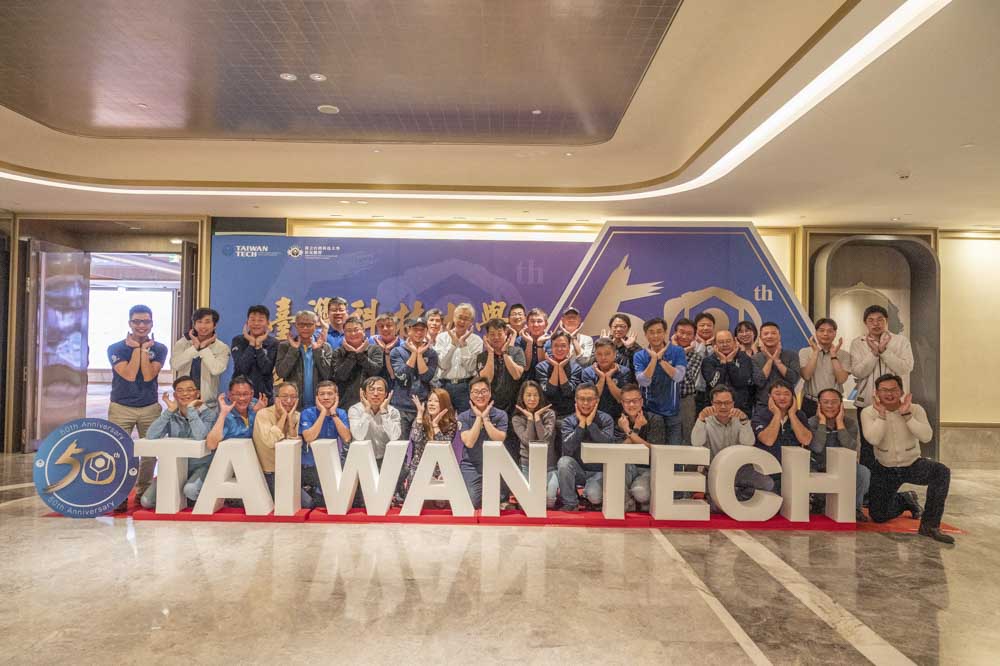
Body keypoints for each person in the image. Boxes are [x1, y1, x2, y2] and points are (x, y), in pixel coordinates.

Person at [861, 374, 953, 543]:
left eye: (894, 389)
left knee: (941, 472)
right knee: (879, 515)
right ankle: (905, 499)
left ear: (902, 391)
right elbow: (873, 439)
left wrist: (907, 416)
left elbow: (926, 437)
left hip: (912, 464)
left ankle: (930, 526)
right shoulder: (868, 412)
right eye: (884, 390)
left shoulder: (915, 409)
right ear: (876, 393)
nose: (889, 394)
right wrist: (882, 416)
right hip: (884, 468)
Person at [107, 304, 169, 508]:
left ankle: (143, 492)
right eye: (137, 321)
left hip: (149, 407)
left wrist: (143, 350)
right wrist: (137, 350)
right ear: (129, 323)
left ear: (152, 323)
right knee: (119, 452)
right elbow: (130, 375)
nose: (141, 325)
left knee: (149, 454)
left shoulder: (159, 348)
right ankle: (120, 495)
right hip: (121, 407)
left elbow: (149, 375)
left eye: (146, 321)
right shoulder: (116, 348)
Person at [850, 305, 915, 472]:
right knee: (867, 444)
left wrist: (884, 352)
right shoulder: (858, 343)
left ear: (887, 321)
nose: (876, 324)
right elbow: (858, 371)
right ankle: (868, 484)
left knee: (892, 442)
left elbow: (905, 368)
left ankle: (890, 481)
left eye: (880, 320)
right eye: (871, 320)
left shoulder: (900, 341)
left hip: (895, 403)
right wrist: (873, 354)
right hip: (867, 402)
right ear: (865, 323)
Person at [139, 376, 217, 510]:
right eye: (180, 391)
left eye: (190, 390)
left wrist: (191, 410)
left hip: (200, 467)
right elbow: (151, 435)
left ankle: (196, 493)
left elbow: (200, 436)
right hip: (174, 467)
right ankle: (181, 493)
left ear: (197, 393)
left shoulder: (209, 414)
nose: (185, 394)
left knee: (191, 490)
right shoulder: (172, 415)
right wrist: (169, 411)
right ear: (175, 395)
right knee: (146, 501)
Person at [692, 385, 773, 511]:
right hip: (713, 471)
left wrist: (745, 422)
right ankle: (731, 497)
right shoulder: (705, 420)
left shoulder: (740, 419)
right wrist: (701, 419)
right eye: (718, 403)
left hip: (739, 470)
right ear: (712, 403)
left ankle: (732, 496)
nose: (723, 406)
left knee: (767, 484)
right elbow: (696, 443)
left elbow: (749, 443)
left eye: (727, 403)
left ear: (733, 403)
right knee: (709, 505)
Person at [203, 376, 268, 503]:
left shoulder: (255, 409)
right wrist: (223, 414)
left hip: (255, 465)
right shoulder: (225, 415)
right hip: (230, 470)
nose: (242, 398)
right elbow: (211, 444)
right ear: (230, 395)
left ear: (252, 394)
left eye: (245, 394)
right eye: (237, 394)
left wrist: (261, 412)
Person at [809, 388, 870, 522]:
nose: (830, 406)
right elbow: (817, 447)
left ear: (841, 404)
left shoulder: (850, 423)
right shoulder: (811, 422)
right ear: (819, 404)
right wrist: (822, 423)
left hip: (842, 467)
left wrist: (840, 423)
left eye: (834, 402)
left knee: (863, 472)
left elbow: (850, 448)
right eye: (825, 402)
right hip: (818, 467)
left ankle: (855, 508)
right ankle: (819, 501)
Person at [556, 383, 616, 511]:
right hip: (579, 470)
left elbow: (606, 444)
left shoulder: (606, 419)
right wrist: (581, 426)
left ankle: (591, 498)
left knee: (594, 496)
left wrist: (590, 424)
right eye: (581, 399)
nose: (585, 403)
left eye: (590, 399)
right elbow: (568, 447)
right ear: (576, 400)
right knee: (564, 462)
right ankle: (571, 503)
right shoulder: (568, 421)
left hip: (600, 471)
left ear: (597, 400)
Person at [633, 317, 687, 444]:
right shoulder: (639, 355)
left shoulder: (677, 351)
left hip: (673, 411)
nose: (655, 335)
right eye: (651, 332)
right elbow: (643, 381)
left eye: (659, 331)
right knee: (654, 449)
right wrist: (653, 359)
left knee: (674, 450)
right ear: (645, 335)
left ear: (665, 333)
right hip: (650, 411)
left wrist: (661, 360)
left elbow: (679, 377)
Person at [751, 380, 811, 493]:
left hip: (793, 470)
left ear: (793, 397)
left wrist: (792, 415)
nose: (782, 397)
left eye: (786, 394)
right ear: (769, 397)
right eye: (777, 394)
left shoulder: (799, 415)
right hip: (767, 470)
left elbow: (806, 440)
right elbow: (768, 440)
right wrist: (777, 414)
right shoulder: (760, 414)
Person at [299, 381, 353, 508]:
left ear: (336, 396)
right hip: (310, 468)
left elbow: (346, 438)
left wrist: (333, 413)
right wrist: (323, 412)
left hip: (332, 466)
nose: (326, 397)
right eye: (322, 394)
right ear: (316, 397)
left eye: (330, 394)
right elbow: (309, 437)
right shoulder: (307, 413)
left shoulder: (341, 413)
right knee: (314, 504)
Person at [458, 377, 509, 509]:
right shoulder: (463, 416)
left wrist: (485, 418)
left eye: (484, 391)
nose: (480, 395)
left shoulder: (501, 415)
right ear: (470, 395)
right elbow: (469, 442)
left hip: (495, 464)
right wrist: (478, 418)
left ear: (490, 393)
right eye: (476, 392)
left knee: (498, 502)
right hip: (471, 465)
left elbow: (499, 439)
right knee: (471, 502)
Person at [403, 388, 459, 505]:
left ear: (444, 403)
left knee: (441, 504)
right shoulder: (421, 419)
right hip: (419, 465)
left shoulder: (451, 423)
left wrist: (435, 426)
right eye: (429, 400)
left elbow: (444, 446)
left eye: (436, 401)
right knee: (413, 503)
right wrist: (419, 415)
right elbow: (416, 439)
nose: (431, 404)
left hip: (440, 467)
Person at [616, 384, 666, 511]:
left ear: (642, 401)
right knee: (615, 474)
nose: (631, 404)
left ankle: (639, 500)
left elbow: (653, 450)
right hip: (627, 467)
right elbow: (619, 451)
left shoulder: (655, 419)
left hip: (648, 468)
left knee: (641, 493)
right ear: (622, 403)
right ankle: (628, 503)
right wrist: (635, 429)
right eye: (627, 401)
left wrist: (629, 431)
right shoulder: (621, 422)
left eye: (635, 400)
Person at [510, 380, 558, 509]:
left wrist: (537, 418)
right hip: (527, 466)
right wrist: (530, 419)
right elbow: (528, 441)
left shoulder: (549, 414)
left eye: (535, 395)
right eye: (528, 395)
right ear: (522, 397)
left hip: (548, 466)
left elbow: (544, 439)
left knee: (549, 501)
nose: (532, 399)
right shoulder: (517, 418)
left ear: (540, 396)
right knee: (526, 504)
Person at [170, 307, 231, 408]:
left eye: (207, 322)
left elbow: (216, 370)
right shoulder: (182, 343)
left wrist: (203, 348)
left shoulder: (222, 348)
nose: (203, 326)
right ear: (194, 324)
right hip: (183, 402)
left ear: (215, 325)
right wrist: (194, 347)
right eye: (199, 322)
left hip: (208, 404)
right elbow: (175, 365)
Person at [389, 317, 439, 437]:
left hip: (423, 406)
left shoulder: (431, 353)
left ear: (426, 331)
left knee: (422, 443)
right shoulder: (397, 351)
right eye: (415, 329)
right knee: (401, 444)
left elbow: (426, 377)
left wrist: (419, 354)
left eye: (422, 330)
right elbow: (402, 375)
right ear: (408, 330)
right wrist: (413, 353)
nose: (419, 333)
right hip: (401, 406)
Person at [252, 382, 302, 500]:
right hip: (269, 473)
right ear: (276, 398)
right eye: (284, 396)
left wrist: (290, 420)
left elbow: (295, 446)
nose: (289, 401)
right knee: (302, 503)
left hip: (290, 471)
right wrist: (283, 416)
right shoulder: (263, 414)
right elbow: (271, 441)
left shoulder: (297, 416)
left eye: (293, 397)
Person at [275, 310, 333, 410]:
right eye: (301, 325)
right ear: (296, 325)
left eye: (309, 325)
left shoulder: (325, 346)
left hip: (319, 405)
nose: (305, 328)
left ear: (315, 326)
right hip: (293, 405)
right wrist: (293, 350)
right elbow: (281, 373)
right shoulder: (285, 346)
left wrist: (317, 351)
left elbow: (328, 375)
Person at [434, 302, 483, 413]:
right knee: (443, 419)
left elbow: (471, 368)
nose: (462, 321)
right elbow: (442, 365)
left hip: (466, 386)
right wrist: (453, 345)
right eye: (460, 317)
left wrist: (463, 346)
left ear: (471, 322)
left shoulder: (477, 341)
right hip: (444, 385)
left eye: (466, 319)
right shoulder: (442, 337)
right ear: (454, 317)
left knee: (465, 420)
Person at [346, 376, 403, 472]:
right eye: (371, 390)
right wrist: (367, 411)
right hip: (362, 459)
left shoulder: (393, 412)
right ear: (364, 393)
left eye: (380, 390)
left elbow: (395, 436)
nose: (376, 394)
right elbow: (358, 436)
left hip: (386, 459)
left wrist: (384, 412)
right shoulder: (355, 410)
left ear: (386, 394)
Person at [799, 318, 851, 418]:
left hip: (834, 403)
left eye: (830, 331)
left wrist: (834, 356)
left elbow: (841, 379)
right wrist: (815, 353)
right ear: (816, 332)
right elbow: (806, 376)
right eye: (821, 330)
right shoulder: (805, 352)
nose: (825, 334)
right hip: (811, 402)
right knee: (808, 428)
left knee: (836, 428)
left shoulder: (844, 355)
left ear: (835, 333)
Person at [330, 316, 384, 411]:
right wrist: (352, 354)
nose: (353, 333)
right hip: (344, 404)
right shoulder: (338, 352)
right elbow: (340, 376)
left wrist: (360, 354)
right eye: (349, 331)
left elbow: (375, 371)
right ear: (344, 333)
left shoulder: (375, 349)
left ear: (363, 331)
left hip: (371, 404)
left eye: (356, 330)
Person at [477, 317, 526, 414]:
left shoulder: (517, 351)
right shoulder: (482, 356)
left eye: (499, 334)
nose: (496, 337)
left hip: (514, 404)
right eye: (492, 334)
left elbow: (516, 375)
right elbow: (487, 379)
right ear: (487, 336)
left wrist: (505, 353)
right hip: (491, 405)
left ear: (506, 334)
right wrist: (490, 353)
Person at [230, 304, 278, 402]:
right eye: (252, 320)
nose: (256, 323)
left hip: (264, 397)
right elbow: (242, 368)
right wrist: (251, 344)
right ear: (247, 322)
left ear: (268, 323)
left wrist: (259, 347)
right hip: (240, 396)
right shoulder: (238, 340)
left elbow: (266, 369)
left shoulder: (273, 343)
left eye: (260, 320)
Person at [701, 330, 756, 415]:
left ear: (735, 342)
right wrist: (723, 363)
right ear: (714, 345)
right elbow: (715, 384)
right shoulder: (708, 361)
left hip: (741, 408)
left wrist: (730, 362)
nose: (725, 344)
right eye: (721, 342)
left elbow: (741, 382)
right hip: (714, 410)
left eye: (728, 341)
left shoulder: (744, 358)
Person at [670, 318, 704, 445]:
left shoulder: (696, 356)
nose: (684, 336)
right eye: (681, 332)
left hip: (685, 400)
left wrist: (679, 354)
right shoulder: (664, 351)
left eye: (689, 334)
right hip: (665, 399)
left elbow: (686, 378)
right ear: (675, 334)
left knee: (687, 434)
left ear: (694, 337)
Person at [581, 337, 632, 420]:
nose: (603, 357)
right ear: (595, 355)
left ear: (615, 354)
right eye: (599, 354)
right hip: (594, 417)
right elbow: (590, 399)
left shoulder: (624, 372)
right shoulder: (587, 372)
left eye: (607, 354)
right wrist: (602, 378)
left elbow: (620, 398)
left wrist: (608, 378)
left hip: (619, 417)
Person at [752, 322, 801, 407]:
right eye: (766, 334)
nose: (769, 336)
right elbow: (759, 382)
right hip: (764, 405)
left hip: (788, 406)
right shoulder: (755, 358)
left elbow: (793, 379)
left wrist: (777, 361)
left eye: (773, 333)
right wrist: (770, 359)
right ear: (760, 338)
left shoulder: (792, 355)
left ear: (779, 336)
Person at [535, 332, 583, 417]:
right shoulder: (541, 367)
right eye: (556, 346)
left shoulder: (576, 368)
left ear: (569, 348)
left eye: (563, 346)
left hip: (570, 414)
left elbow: (568, 392)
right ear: (551, 347)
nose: (559, 349)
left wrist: (560, 368)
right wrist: (556, 367)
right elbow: (549, 391)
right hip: (547, 414)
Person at [515, 308, 551, 377]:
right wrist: (529, 343)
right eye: (532, 321)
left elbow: (544, 368)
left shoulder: (552, 341)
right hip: (524, 381)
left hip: (544, 380)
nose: (535, 325)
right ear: (527, 324)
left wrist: (540, 344)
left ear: (546, 324)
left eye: (539, 321)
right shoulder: (519, 340)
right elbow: (525, 367)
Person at [369, 312, 403, 381]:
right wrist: (381, 350)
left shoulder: (402, 345)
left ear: (396, 327)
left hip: (396, 382)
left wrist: (387, 352)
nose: (385, 329)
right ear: (377, 328)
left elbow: (400, 373)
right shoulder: (371, 341)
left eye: (389, 325)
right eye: (381, 326)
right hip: (374, 381)